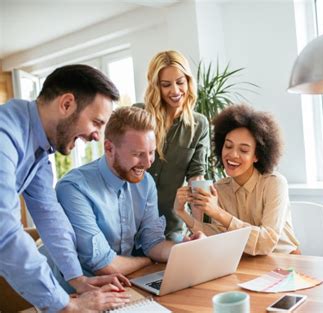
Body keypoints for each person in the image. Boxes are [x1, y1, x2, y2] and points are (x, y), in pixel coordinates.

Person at [0, 64, 131, 312]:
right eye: (96, 122)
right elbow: (4, 233)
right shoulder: (4, 136)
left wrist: (77, 280)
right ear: (67, 104)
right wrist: (66, 306)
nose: (97, 136)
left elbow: (50, 214)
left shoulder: (39, 147)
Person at [55, 107, 205, 279]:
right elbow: (104, 265)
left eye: (151, 153)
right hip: (79, 293)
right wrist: (146, 261)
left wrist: (184, 250)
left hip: (126, 282)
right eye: (138, 154)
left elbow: (153, 243)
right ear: (109, 148)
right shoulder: (74, 188)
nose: (148, 163)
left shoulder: (145, 182)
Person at [174, 104, 300, 255]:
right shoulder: (220, 188)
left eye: (244, 150)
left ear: (257, 155)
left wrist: (217, 212)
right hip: (245, 262)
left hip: (284, 261)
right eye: (228, 146)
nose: (232, 155)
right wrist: (181, 212)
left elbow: (266, 243)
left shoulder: (274, 183)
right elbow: (218, 236)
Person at [135, 50, 210, 241]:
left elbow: (196, 180)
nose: (175, 91)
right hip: (132, 224)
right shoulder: (138, 115)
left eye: (180, 82)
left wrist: (196, 229)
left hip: (170, 228)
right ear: (156, 86)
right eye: (166, 85)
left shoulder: (198, 125)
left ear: (188, 82)